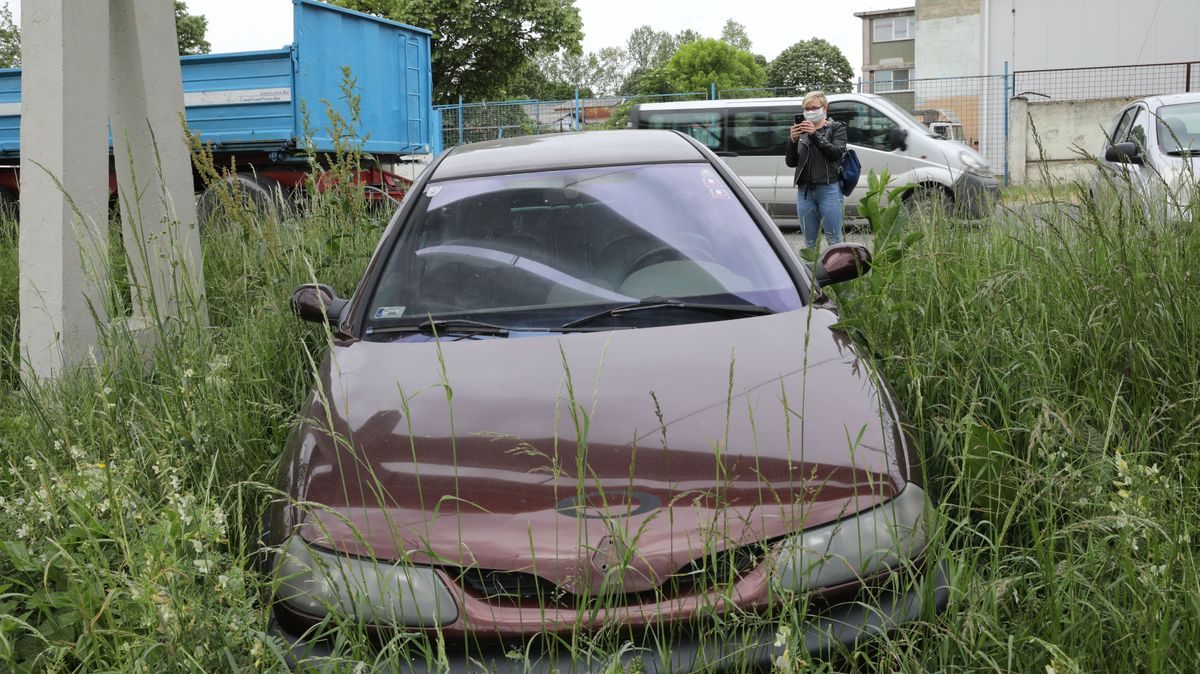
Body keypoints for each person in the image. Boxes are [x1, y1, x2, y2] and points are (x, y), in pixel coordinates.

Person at [785, 91, 848, 249]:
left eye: (814, 108)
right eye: (807, 109)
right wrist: (792, 141)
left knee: (834, 240)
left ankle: (836, 273)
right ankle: (810, 274)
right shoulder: (801, 131)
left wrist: (814, 134)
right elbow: (791, 162)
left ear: (824, 108)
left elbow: (835, 154)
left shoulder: (836, 128)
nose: (810, 112)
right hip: (805, 192)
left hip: (829, 190)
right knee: (810, 243)